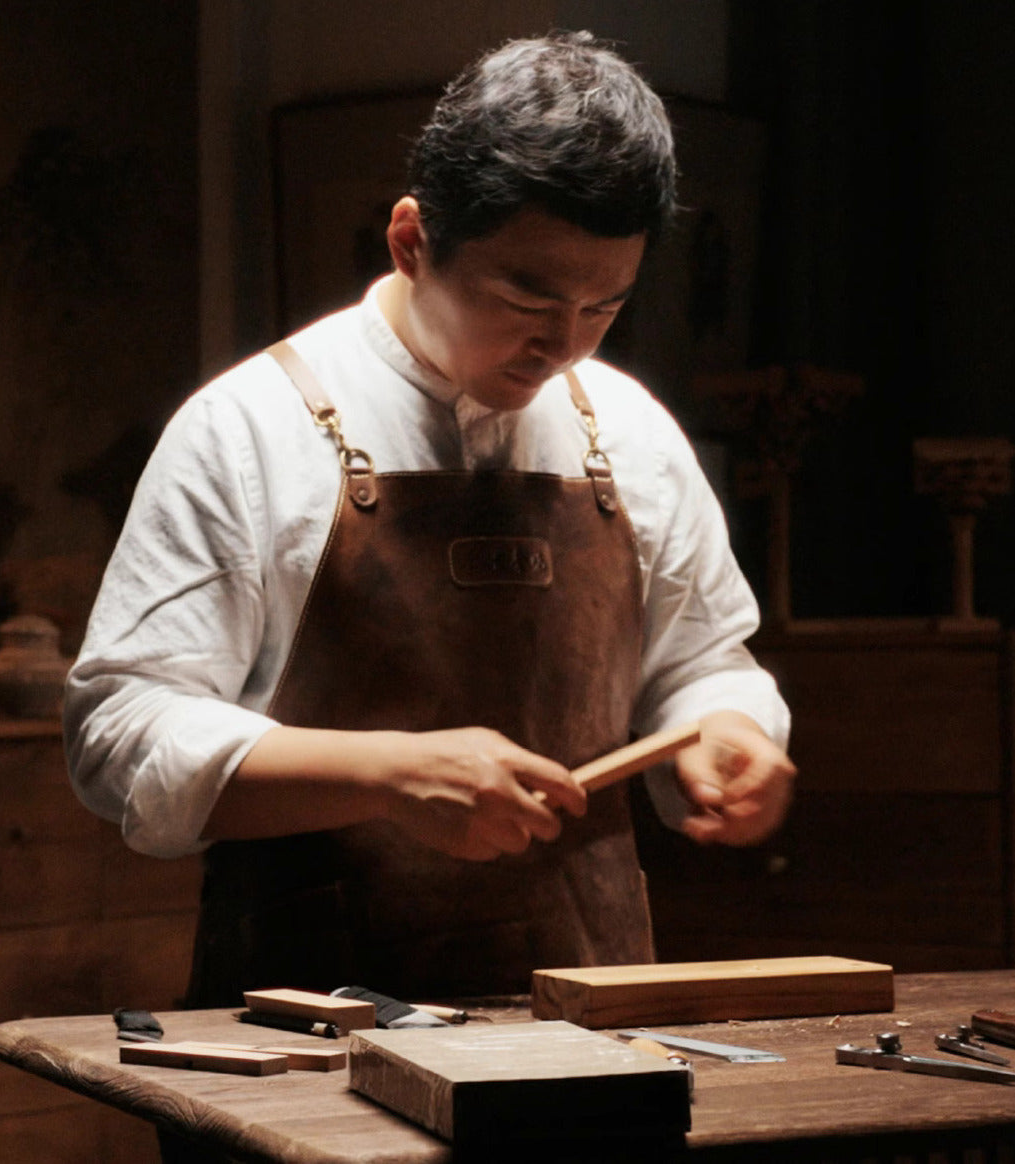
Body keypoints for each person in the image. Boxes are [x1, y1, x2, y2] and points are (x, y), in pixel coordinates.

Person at [64, 31, 794, 1008]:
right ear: (410, 239)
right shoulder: (250, 428)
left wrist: (725, 730)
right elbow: (119, 734)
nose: (559, 344)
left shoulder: (628, 431)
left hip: (587, 1014)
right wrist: (383, 775)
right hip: (305, 1034)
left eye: (601, 306)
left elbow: (706, 663)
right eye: (524, 295)